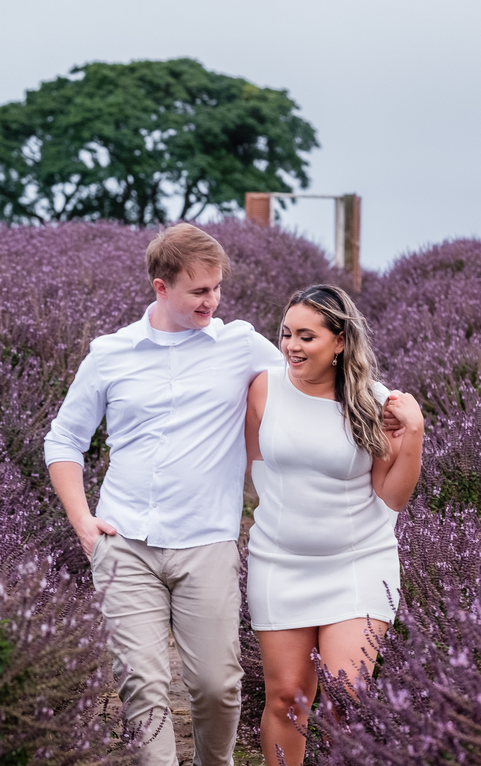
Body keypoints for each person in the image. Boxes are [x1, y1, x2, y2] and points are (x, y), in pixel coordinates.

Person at [44, 223, 288, 766]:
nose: (212, 301)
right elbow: (63, 440)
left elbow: (312, 377)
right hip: (125, 541)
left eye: (217, 288)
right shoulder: (110, 354)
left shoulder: (242, 345)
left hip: (207, 541)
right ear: (161, 286)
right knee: (142, 687)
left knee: (217, 686)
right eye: (199, 291)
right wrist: (83, 522)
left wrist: (389, 405)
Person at [244, 284, 424, 766]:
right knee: (287, 697)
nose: (292, 346)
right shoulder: (264, 388)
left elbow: (392, 496)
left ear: (340, 341)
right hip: (279, 563)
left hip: (357, 563)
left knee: (347, 698)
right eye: (287, 334)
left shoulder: (376, 402)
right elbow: (255, 466)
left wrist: (414, 431)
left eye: (307, 336)